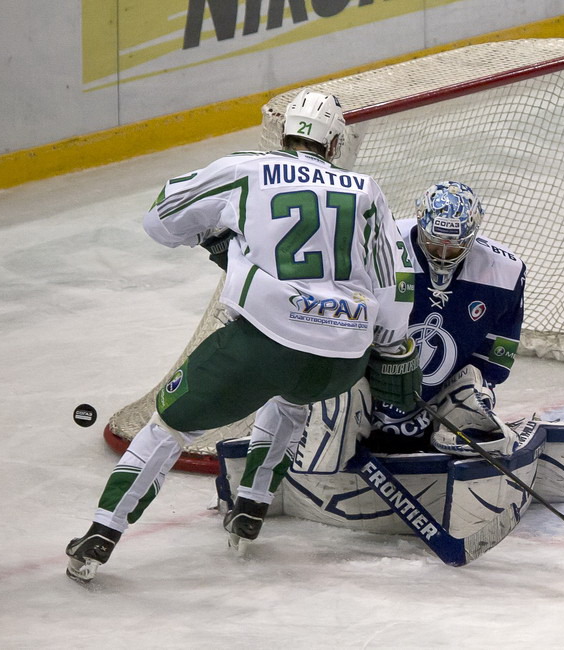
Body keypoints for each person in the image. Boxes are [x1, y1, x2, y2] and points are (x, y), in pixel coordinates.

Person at [65, 88, 421, 582]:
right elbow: (393, 282)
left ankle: (101, 533)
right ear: (336, 144)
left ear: (284, 131)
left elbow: (160, 221)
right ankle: (251, 508)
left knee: (168, 428)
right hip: (341, 362)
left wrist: (215, 239)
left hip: (263, 347)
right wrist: (392, 347)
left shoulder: (247, 169)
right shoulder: (366, 189)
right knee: (292, 400)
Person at [366, 180, 527, 457]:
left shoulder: (507, 271)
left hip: (437, 407)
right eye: (433, 242)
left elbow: (495, 360)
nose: (441, 254)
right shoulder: (384, 245)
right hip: (371, 392)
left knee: (475, 388)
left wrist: (470, 403)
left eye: (452, 247)